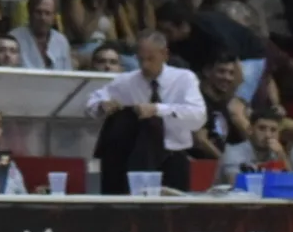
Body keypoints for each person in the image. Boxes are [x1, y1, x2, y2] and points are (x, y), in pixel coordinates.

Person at [87, 31, 206, 193]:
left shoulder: (184, 79)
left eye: (150, 59)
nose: (145, 65)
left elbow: (198, 115)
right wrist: (102, 106)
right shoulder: (127, 81)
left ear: (164, 54)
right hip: (137, 157)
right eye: (140, 59)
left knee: (174, 205)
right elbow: (92, 101)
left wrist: (158, 109)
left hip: (173, 154)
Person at [156, 0, 267, 104]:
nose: (164, 35)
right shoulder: (176, 41)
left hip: (248, 56)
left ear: (183, 26)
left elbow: (235, 68)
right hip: (215, 63)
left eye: (168, 31)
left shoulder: (211, 31)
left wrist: (230, 99)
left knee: (234, 106)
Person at [63, 0, 132, 59]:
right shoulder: (77, 1)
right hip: (86, 48)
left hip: (111, 49)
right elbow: (84, 36)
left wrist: (125, 42)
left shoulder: (114, 3)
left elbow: (130, 37)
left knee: (133, 62)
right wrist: (100, 7)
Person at [192, 50, 250, 160]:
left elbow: (240, 143)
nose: (227, 77)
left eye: (231, 73)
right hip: (200, 166)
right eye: (221, 71)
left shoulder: (223, 105)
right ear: (207, 71)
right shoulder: (196, 102)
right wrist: (225, 162)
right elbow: (200, 139)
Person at [218, 107, 289, 185]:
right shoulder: (233, 152)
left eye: (273, 130)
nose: (268, 135)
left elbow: (292, 186)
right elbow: (236, 185)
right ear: (250, 130)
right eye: (262, 128)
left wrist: (282, 156)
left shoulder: (277, 155)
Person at [11, 0, 73, 70]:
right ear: (30, 12)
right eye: (38, 12)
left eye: (47, 13)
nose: (43, 18)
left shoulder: (61, 41)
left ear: (54, 16)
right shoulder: (15, 38)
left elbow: (68, 72)